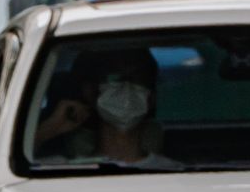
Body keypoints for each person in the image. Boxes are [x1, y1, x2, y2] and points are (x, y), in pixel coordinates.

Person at [34, 47, 167, 165]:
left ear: (152, 98)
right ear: (90, 92)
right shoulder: (60, 170)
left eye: (138, 78)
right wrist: (48, 129)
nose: (126, 86)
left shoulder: (172, 172)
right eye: (115, 77)